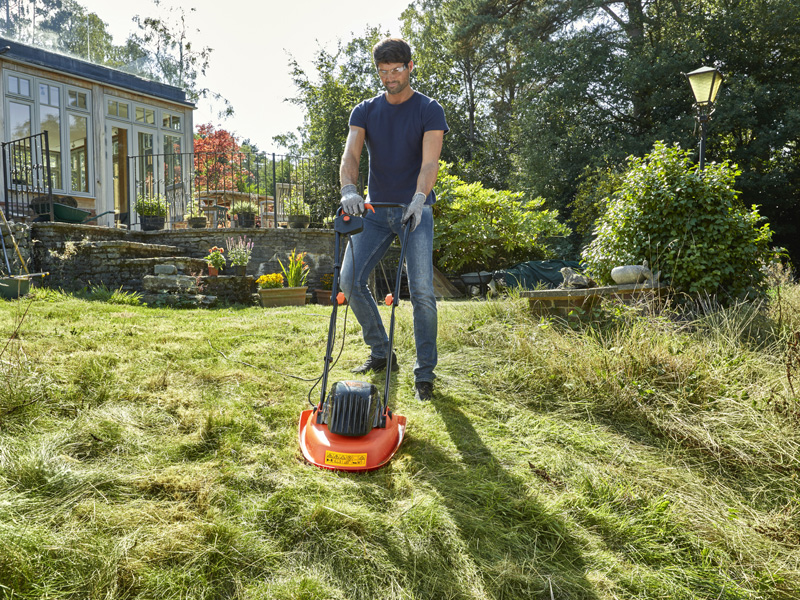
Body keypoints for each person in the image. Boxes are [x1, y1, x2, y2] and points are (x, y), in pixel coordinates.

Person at [339, 37, 448, 402]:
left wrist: (419, 198)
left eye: (396, 70)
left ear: (411, 67)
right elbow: (351, 154)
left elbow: (429, 162)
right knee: (349, 279)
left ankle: (425, 375)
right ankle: (382, 352)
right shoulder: (365, 111)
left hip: (414, 211)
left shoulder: (429, 110)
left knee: (421, 292)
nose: (389, 78)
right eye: (383, 72)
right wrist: (349, 190)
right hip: (373, 211)